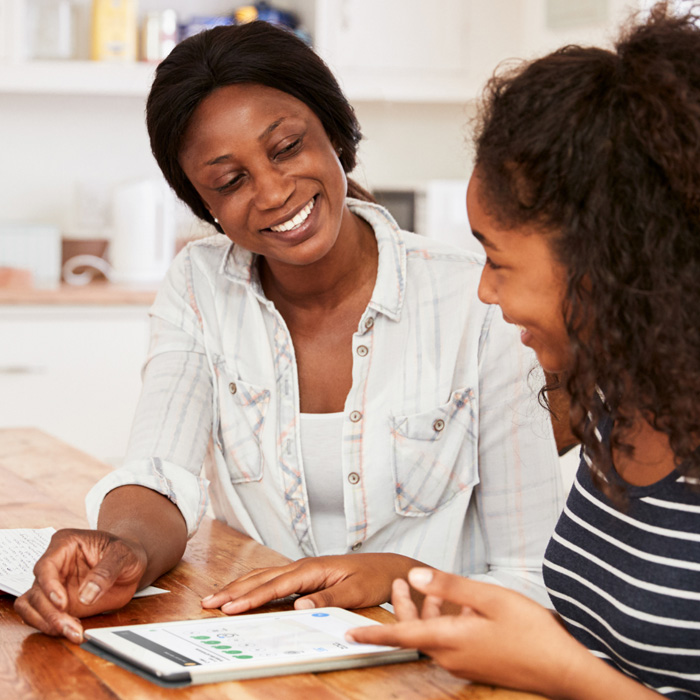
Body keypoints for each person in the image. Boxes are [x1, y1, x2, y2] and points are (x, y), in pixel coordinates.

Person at [14, 21, 562, 643]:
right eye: (230, 181)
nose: (273, 192)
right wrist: (124, 550)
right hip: (260, 655)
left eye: (286, 147)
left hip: (441, 662)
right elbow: (161, 470)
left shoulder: (475, 298)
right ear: (204, 205)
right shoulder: (200, 285)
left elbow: (531, 577)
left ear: (333, 130)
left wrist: (402, 580)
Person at [349, 3, 700, 698]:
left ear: (607, 258)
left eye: (498, 261)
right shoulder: (621, 400)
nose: (483, 291)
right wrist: (435, 594)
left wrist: (562, 672)